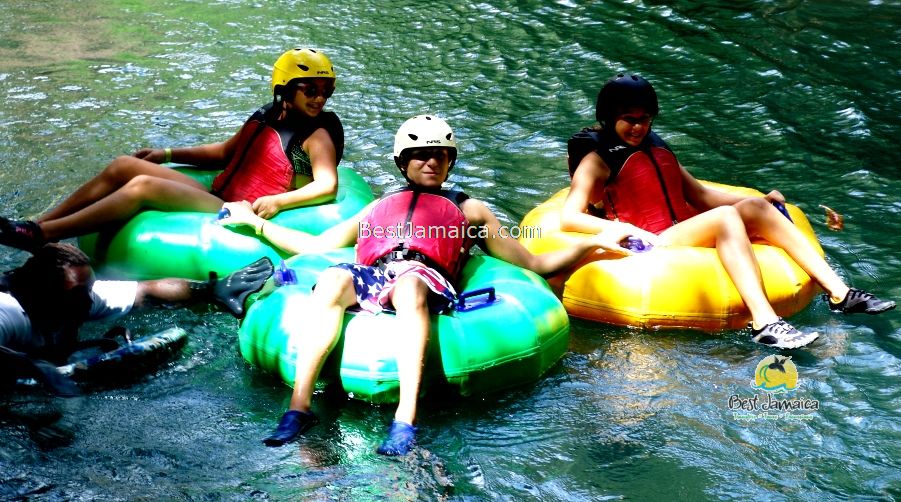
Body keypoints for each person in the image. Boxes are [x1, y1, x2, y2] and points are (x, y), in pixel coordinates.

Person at [218, 115, 624, 456]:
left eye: (440, 156)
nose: (431, 162)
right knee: (333, 278)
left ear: (450, 162)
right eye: (420, 156)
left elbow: (533, 263)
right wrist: (257, 224)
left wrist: (591, 242)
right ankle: (299, 408)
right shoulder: (379, 207)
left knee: (410, 285)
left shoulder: (470, 209)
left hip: (425, 278)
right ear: (403, 162)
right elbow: (318, 247)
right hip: (377, 274)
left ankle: (405, 419)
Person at [561, 74, 895, 349]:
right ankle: (765, 323)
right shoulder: (596, 160)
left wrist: (762, 202)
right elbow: (570, 216)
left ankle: (840, 294)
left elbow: (702, 195)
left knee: (751, 207)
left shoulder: (655, 147)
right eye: (629, 121)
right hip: (650, 244)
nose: (639, 128)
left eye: (645, 120)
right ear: (610, 118)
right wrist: (623, 232)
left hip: (679, 230)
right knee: (725, 218)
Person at [0, 48, 344, 252]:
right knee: (123, 166)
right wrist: (166, 154)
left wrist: (279, 201)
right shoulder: (268, 115)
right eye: (309, 88)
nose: (319, 97)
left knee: (142, 187)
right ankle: (36, 223)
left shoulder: (316, 136)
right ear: (284, 88)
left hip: (238, 208)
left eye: (325, 90)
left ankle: (45, 235)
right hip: (219, 191)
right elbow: (226, 153)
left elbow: (327, 185)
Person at [0, 243, 273, 396]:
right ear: (47, 294)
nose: (90, 298)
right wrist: (38, 369)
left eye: (90, 288)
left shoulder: (77, 297)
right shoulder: (9, 311)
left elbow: (147, 291)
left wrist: (210, 290)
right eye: (80, 292)